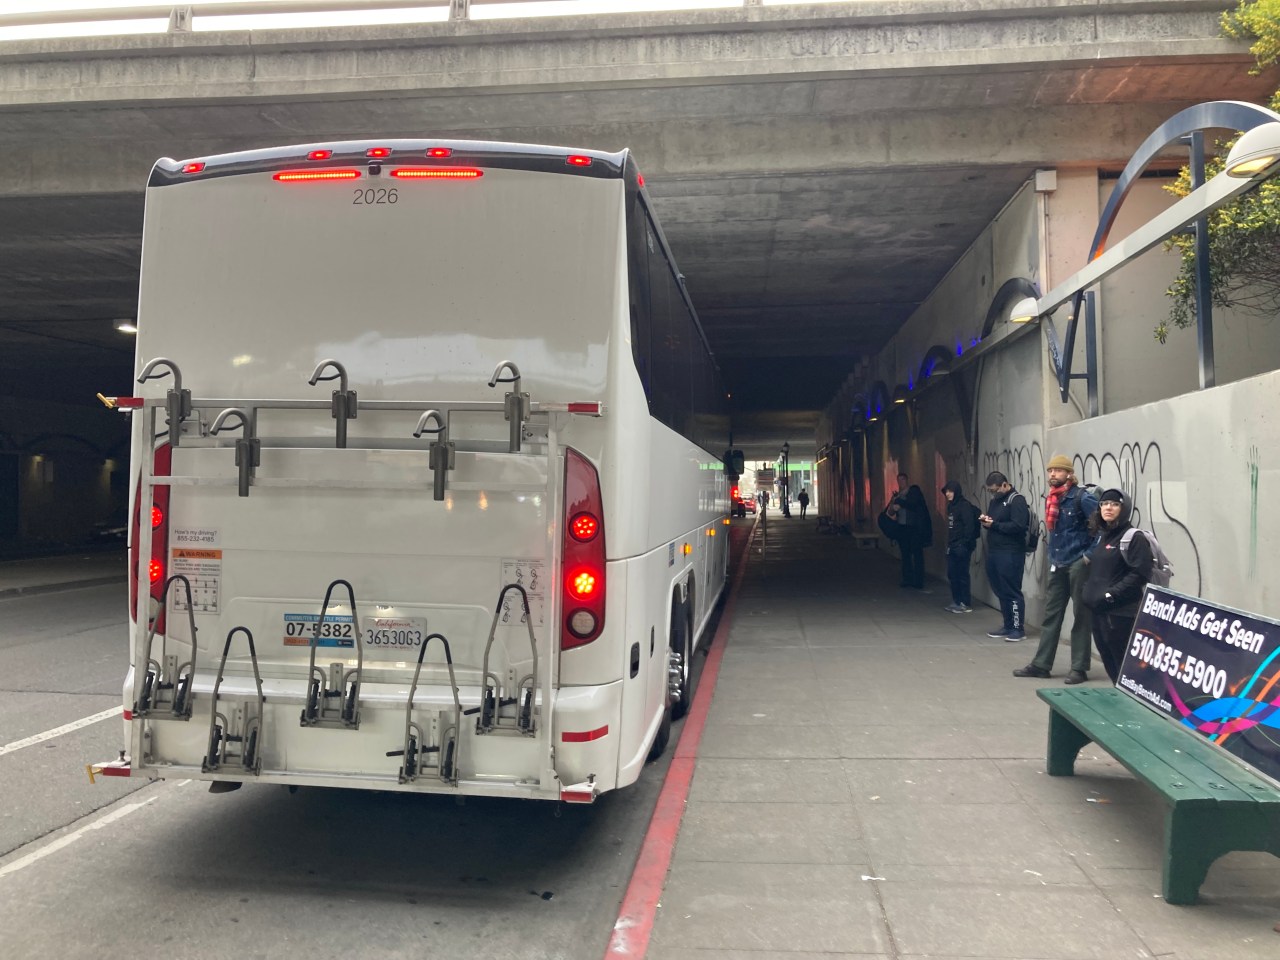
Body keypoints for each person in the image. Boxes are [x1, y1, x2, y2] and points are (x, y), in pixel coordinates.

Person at [1013, 454, 1098, 685]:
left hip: (1077, 563)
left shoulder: (1082, 498)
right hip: (1057, 562)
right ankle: (1041, 665)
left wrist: (1087, 557)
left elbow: (1102, 528)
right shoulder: (1053, 498)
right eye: (1050, 471)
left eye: (1058, 471)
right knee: (1051, 615)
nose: (1053, 475)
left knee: (1081, 616)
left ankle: (1079, 668)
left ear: (1069, 474)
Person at [1082, 488, 1154, 683]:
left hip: (1119, 614)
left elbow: (1140, 573)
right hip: (1099, 612)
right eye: (1104, 504)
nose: (1108, 508)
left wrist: (1111, 595)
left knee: (1124, 667)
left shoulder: (1133, 538)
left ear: (1124, 508)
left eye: (1114, 504)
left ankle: (1131, 707)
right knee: (1111, 665)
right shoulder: (1104, 535)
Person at [979, 471, 1030, 640]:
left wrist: (995, 525)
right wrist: (987, 522)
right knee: (1000, 589)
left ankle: (1017, 628)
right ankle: (1007, 625)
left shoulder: (1016, 500)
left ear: (1005, 485)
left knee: (1011, 590)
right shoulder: (996, 501)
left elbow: (1018, 526)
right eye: (990, 491)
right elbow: (995, 522)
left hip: (1011, 552)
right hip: (995, 551)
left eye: (995, 490)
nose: (993, 494)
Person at [941, 480, 980, 613]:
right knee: (952, 574)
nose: (947, 494)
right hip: (953, 545)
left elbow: (969, 526)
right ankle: (957, 601)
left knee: (962, 574)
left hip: (962, 546)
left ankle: (964, 602)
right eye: (946, 491)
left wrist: (965, 543)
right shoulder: (951, 506)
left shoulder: (964, 506)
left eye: (950, 491)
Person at [887, 472, 931, 589]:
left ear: (907, 480)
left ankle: (918, 580)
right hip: (902, 527)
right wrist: (893, 505)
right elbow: (890, 512)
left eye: (902, 480)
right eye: (899, 480)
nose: (901, 482)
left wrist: (900, 504)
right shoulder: (896, 495)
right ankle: (907, 578)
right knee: (905, 554)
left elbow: (913, 504)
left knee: (917, 553)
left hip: (914, 527)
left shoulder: (913, 492)